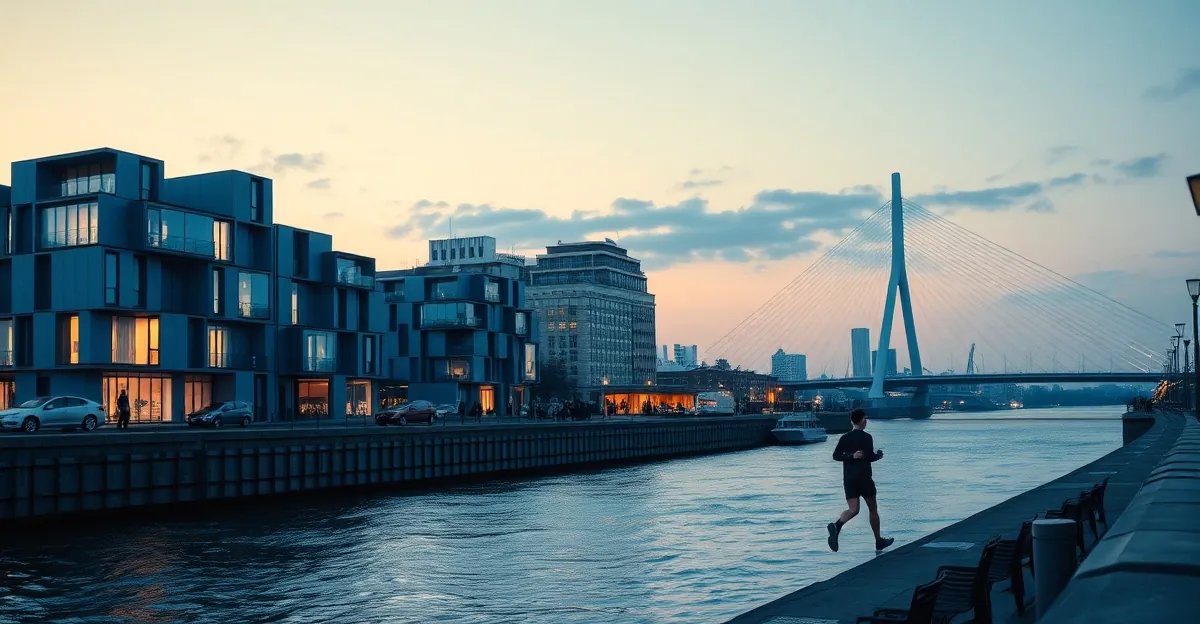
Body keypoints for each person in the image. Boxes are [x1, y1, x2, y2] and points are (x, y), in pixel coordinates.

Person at [827, 408, 893, 552]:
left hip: (849, 479)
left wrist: (850, 456)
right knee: (873, 510)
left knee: (853, 509)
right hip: (864, 478)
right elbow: (869, 457)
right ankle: (878, 541)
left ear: (852, 421)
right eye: (865, 419)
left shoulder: (844, 437)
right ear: (862, 420)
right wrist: (878, 455)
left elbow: (836, 456)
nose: (866, 421)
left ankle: (837, 526)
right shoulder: (867, 437)